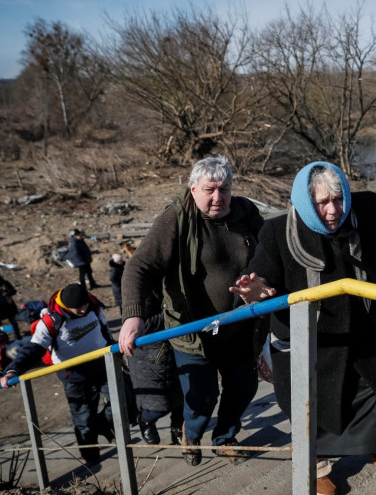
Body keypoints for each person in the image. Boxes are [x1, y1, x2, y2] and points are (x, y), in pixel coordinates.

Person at [231, 161, 376, 495]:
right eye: (322, 203)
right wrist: (256, 291)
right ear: (304, 202)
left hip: (368, 335)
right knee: (314, 409)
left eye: (338, 199)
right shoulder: (276, 232)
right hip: (312, 346)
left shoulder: (367, 209)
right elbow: (261, 277)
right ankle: (316, 466)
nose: (333, 210)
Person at [118, 154, 265, 466]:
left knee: (244, 385)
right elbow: (139, 266)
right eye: (209, 190)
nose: (218, 197)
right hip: (192, 332)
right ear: (193, 189)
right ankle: (191, 434)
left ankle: (225, 437)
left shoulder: (246, 212)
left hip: (238, 326)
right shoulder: (176, 219)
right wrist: (133, 315)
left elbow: (267, 254)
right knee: (202, 397)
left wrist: (262, 283)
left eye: (224, 189)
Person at [1, 283, 119, 467]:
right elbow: (34, 348)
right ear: (65, 306)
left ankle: (102, 425)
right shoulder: (50, 321)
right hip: (74, 374)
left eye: (83, 306)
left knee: (123, 399)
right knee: (83, 419)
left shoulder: (92, 305)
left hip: (103, 363)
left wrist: (112, 346)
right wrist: (12, 369)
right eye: (76, 308)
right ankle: (91, 458)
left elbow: (103, 327)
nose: (81, 310)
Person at [127, 290, 184, 446]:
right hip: (149, 356)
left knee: (181, 398)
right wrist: (177, 313)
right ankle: (145, 420)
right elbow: (143, 324)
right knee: (158, 405)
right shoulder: (141, 291)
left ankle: (178, 428)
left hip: (174, 347)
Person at [0, 275, 21, 340]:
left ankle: (18, 337)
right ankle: (3, 339)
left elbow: (13, 291)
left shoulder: (4, 283)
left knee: (14, 322)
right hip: (0, 309)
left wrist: (7, 293)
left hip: (9, 307)